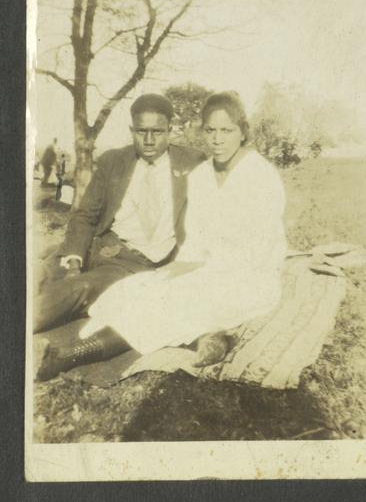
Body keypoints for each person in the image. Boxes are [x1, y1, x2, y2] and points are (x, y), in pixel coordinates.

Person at [36, 91, 287, 380]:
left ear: (243, 131)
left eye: (226, 130)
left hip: (247, 276)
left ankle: (67, 357)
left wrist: (200, 273)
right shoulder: (201, 174)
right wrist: (179, 270)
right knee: (129, 293)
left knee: (166, 305)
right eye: (210, 130)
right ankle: (208, 337)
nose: (217, 139)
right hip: (198, 267)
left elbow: (263, 247)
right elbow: (195, 239)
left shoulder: (260, 175)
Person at [34, 93, 205, 333]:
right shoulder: (113, 161)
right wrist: (74, 259)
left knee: (78, 288)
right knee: (37, 272)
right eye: (140, 131)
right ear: (131, 129)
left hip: (131, 263)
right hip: (96, 245)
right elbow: (85, 214)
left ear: (170, 130)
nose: (148, 140)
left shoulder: (194, 162)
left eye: (157, 132)